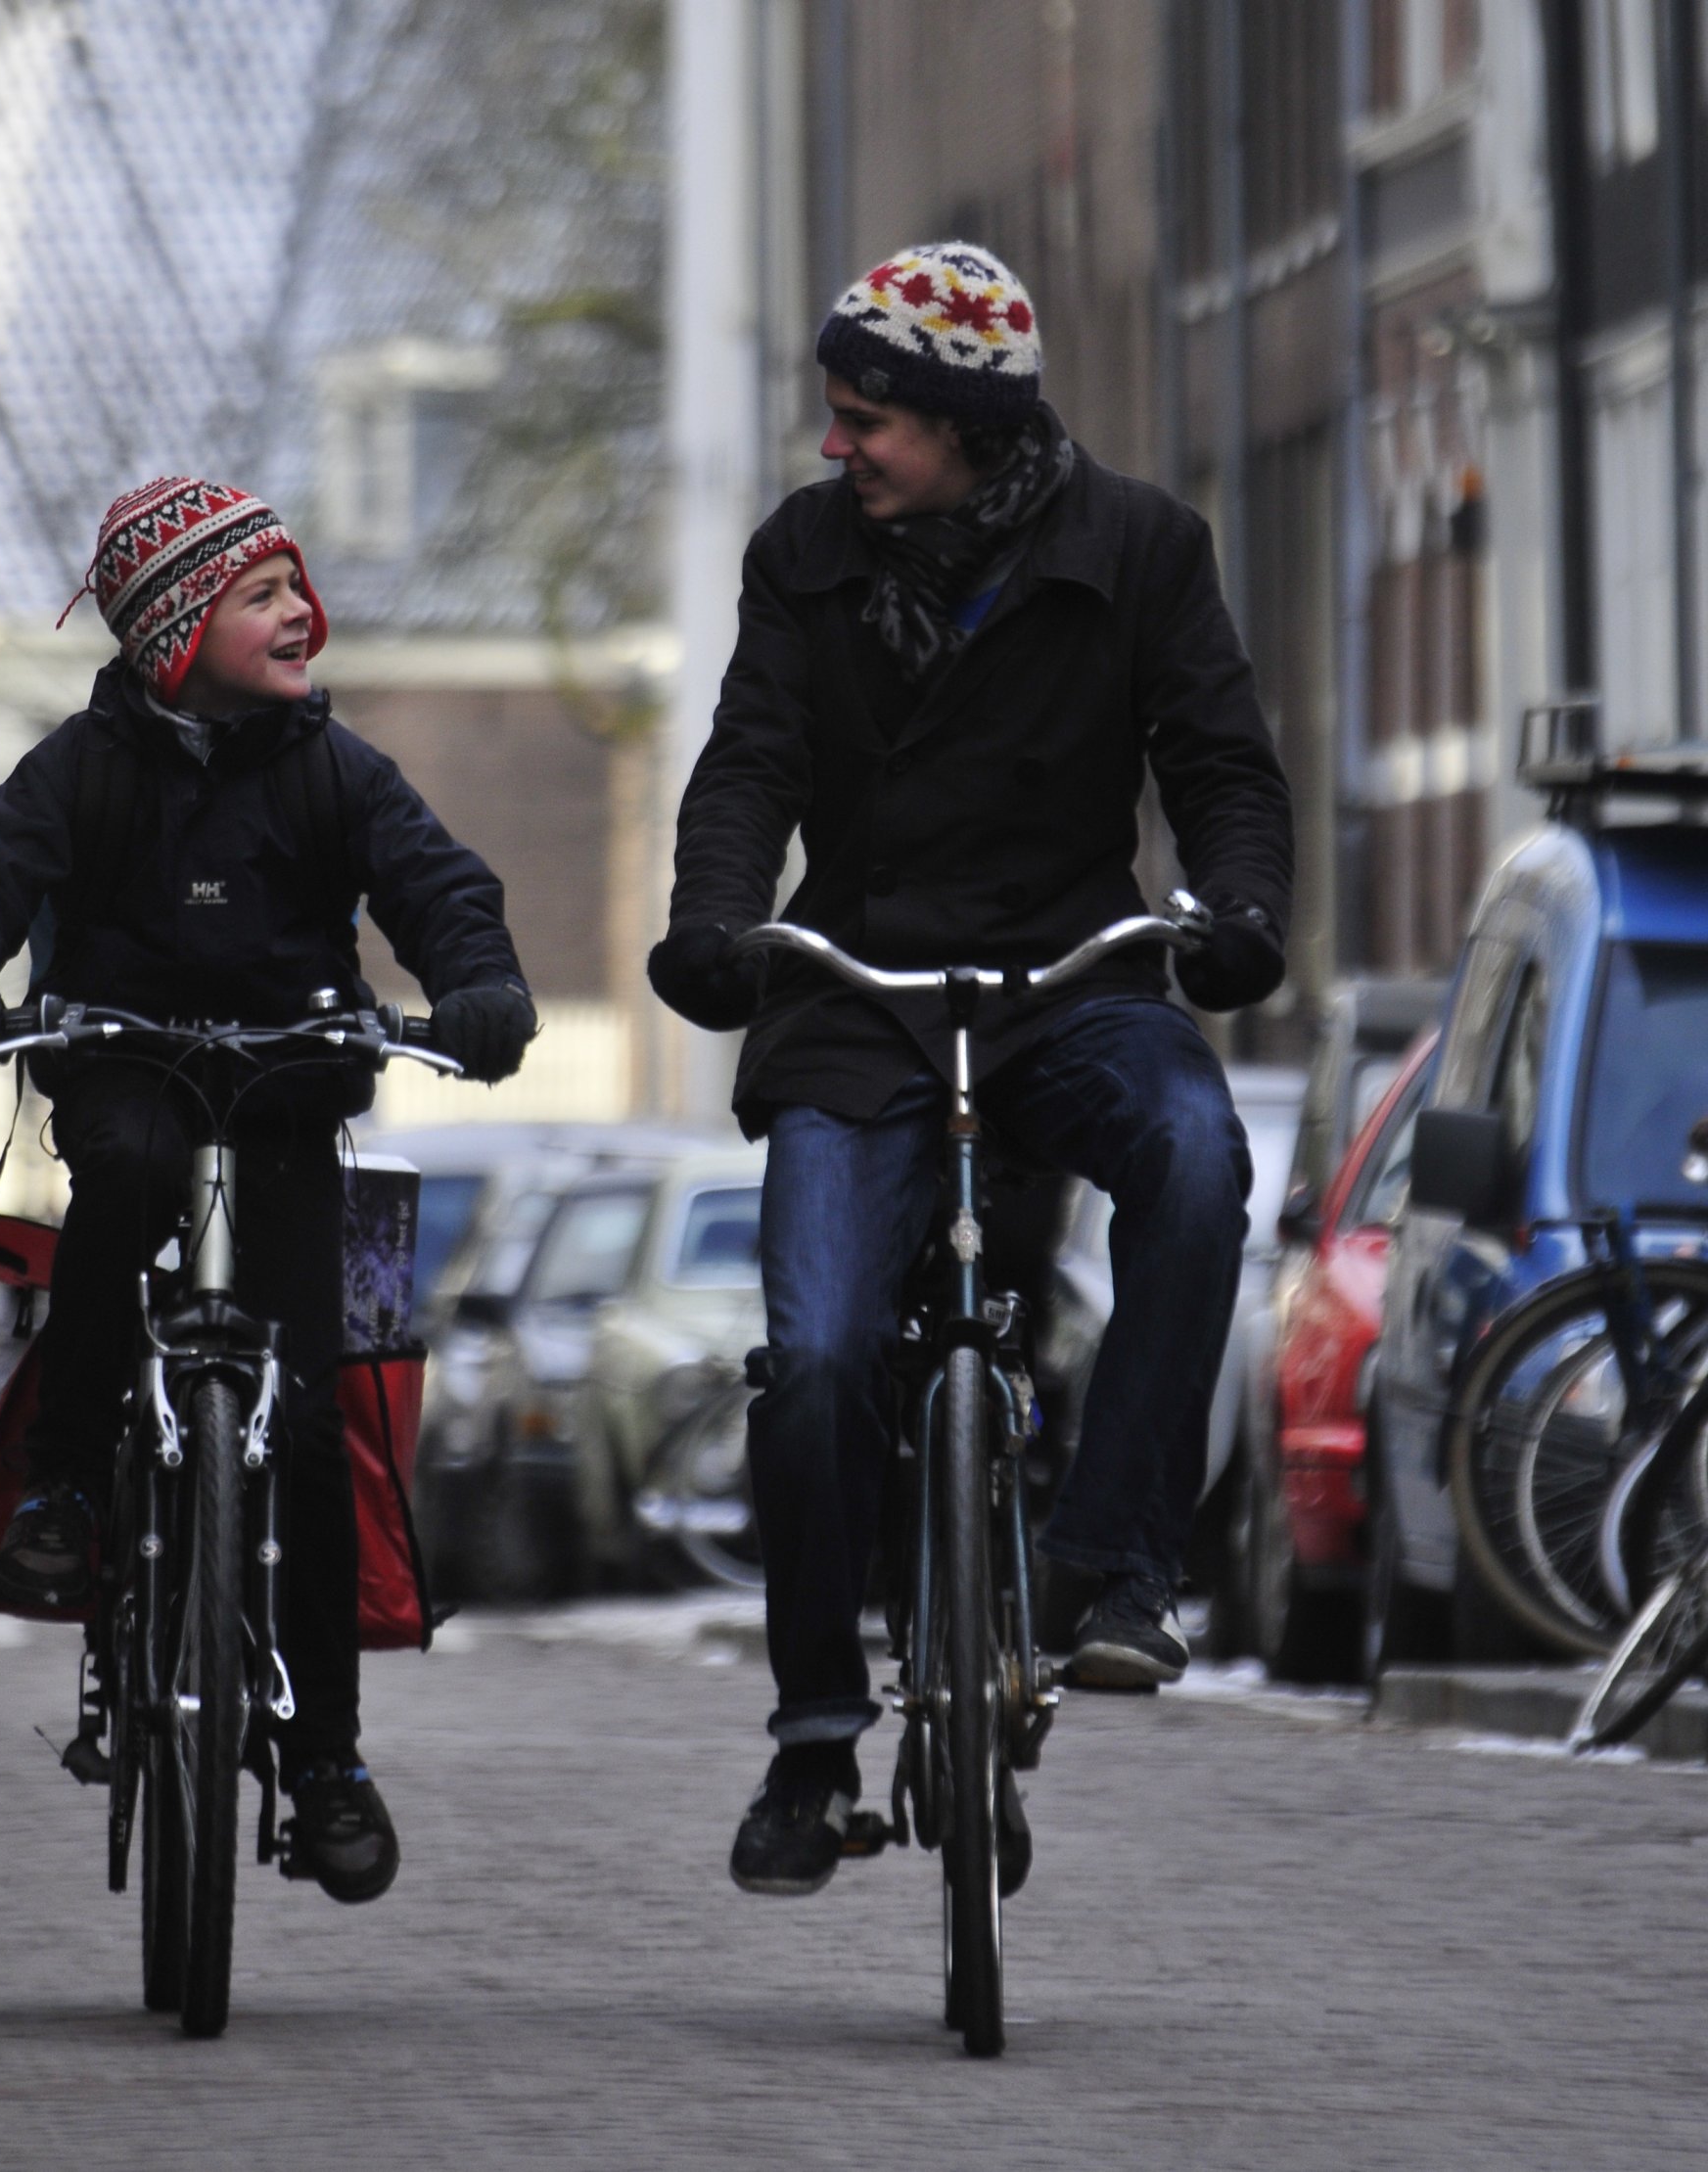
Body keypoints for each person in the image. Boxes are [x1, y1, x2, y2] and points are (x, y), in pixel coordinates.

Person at [647, 242, 1293, 1896]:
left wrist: (1232, 910)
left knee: (1196, 1160)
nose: (834, 445)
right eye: (833, 412)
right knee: (814, 1357)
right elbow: (751, 759)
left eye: (866, 417)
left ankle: (1112, 1558)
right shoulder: (800, 557)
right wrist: (715, 918)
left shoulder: (1139, 547)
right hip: (856, 986)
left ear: (960, 420)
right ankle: (808, 1740)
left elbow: (1218, 763)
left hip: (1066, 973)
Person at [0, 477, 536, 1903]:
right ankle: (65, 1481)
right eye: (263, 593)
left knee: (307, 1423)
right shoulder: (82, 765)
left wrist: (479, 983)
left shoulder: (334, 768)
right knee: (117, 1172)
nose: (303, 609)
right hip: (125, 1067)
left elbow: (440, 886)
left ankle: (327, 1761)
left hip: (289, 1092)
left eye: (297, 583)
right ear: (176, 630)